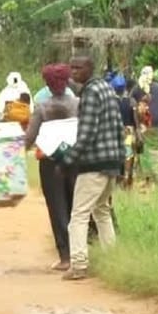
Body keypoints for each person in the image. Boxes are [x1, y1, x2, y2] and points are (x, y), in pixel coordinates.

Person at [55, 54, 125, 281]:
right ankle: (114, 259)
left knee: (79, 214)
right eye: (72, 68)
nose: (74, 72)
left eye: (79, 68)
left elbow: (86, 135)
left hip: (94, 164)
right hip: (111, 161)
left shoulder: (90, 93)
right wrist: (121, 162)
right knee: (102, 210)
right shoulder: (106, 89)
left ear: (90, 69)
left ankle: (78, 264)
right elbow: (118, 127)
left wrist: (67, 160)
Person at [24, 64, 79, 271]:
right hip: (75, 159)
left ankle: (65, 257)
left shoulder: (42, 107)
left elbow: (29, 138)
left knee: (57, 208)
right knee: (77, 207)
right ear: (66, 82)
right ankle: (81, 252)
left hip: (50, 163)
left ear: (47, 83)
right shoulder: (77, 104)